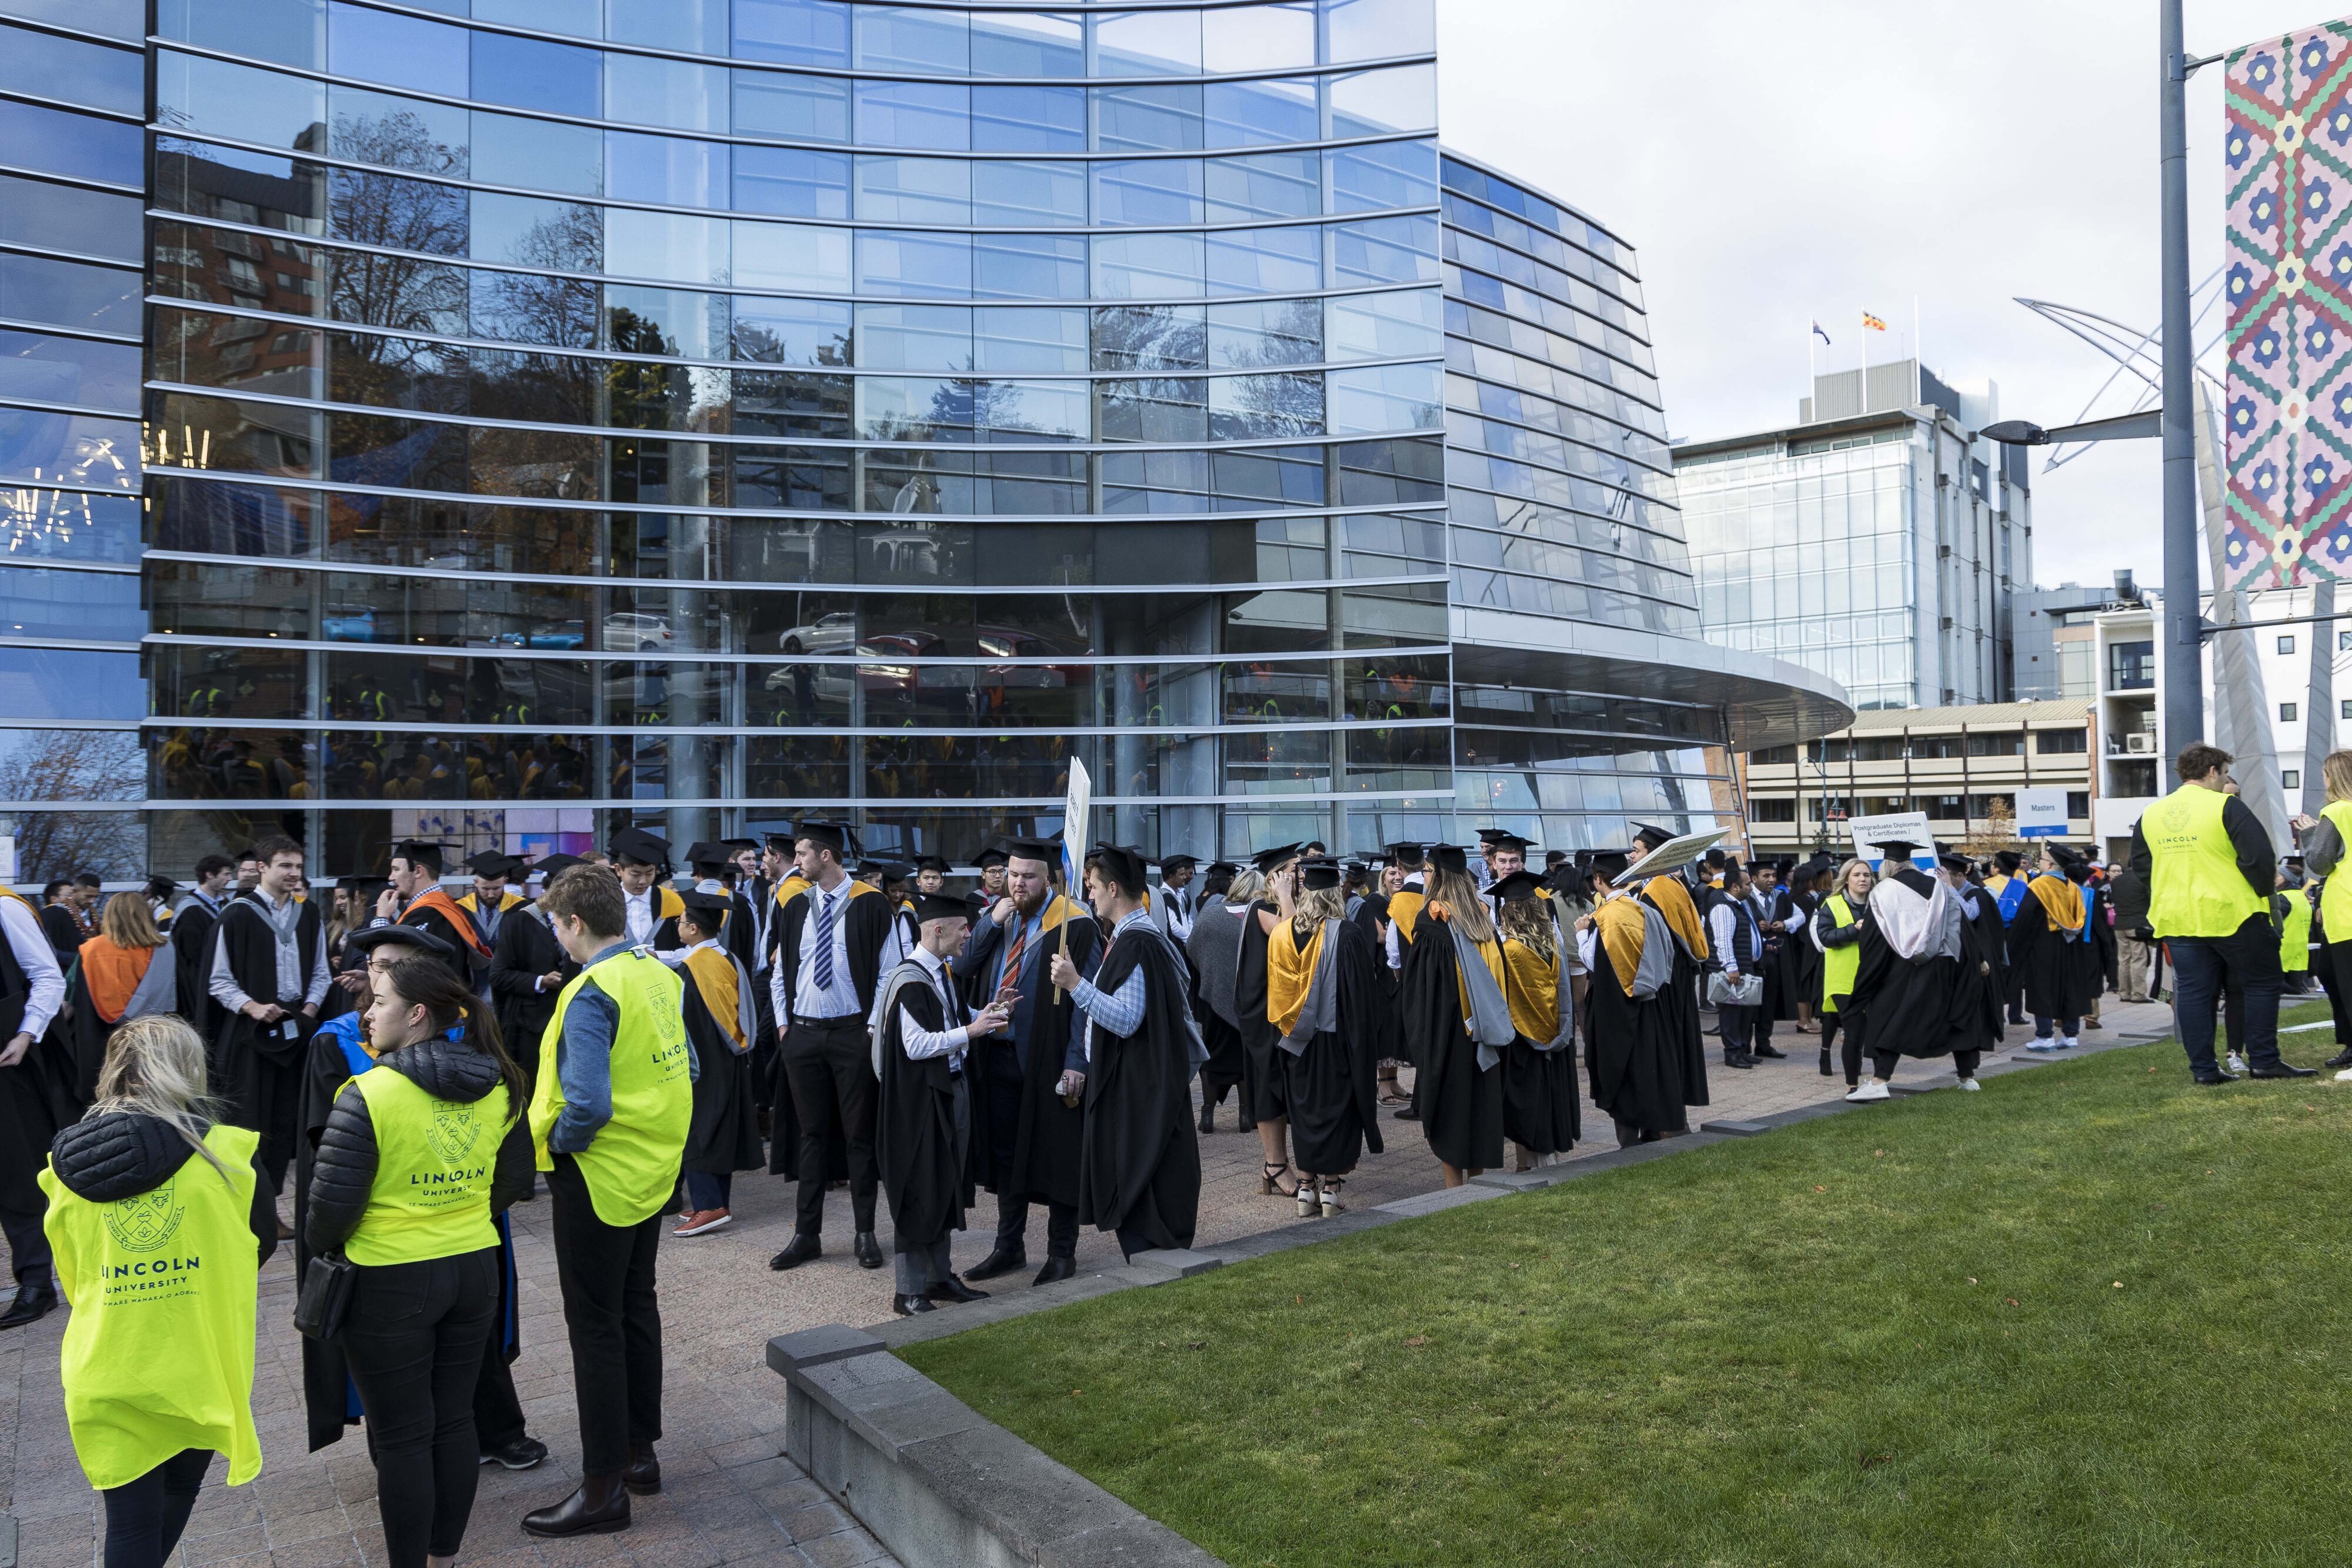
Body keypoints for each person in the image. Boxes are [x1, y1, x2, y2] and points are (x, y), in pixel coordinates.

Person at [306, 957, 533, 1568]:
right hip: (473, 1268)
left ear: (416, 1014)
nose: (367, 1011)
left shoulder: (369, 1093)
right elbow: (514, 1179)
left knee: (404, 1434)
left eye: (378, 1000)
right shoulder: (500, 1080)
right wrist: (455, 1208)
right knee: (455, 1418)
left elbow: (326, 1214)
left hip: (389, 1279)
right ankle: (444, 1556)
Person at [42, 1014, 275, 1568]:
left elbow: (74, 1277)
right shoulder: (228, 1157)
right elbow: (260, 1246)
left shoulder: (62, 1171)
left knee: (129, 1524)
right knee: (177, 1496)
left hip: (107, 1363)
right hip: (195, 1362)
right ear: (189, 1069)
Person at [523, 864, 696, 1537]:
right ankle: (638, 1453)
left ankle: (601, 1490)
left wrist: (563, 1142)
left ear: (574, 922)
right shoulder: (659, 973)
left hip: (597, 1175)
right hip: (652, 1168)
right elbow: (689, 1064)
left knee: (595, 1326)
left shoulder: (592, 988)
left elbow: (588, 1100)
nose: (557, 937)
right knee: (634, 1307)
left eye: (557, 925)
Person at [1050, 843, 1203, 1259]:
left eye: (1094, 885)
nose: (1090, 894)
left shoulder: (1137, 943)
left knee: (1144, 1179)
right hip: (1136, 1087)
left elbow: (1125, 1019)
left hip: (1139, 1093)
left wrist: (1074, 984)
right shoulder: (1130, 939)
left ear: (1114, 888)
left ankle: (1154, 1257)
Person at [957, 838, 1097, 1286]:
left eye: (1028, 876)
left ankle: (1061, 1253)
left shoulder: (1075, 924)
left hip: (1049, 1057)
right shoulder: (1000, 920)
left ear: (1050, 879)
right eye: (1013, 875)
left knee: (1058, 1155)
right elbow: (962, 968)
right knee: (1005, 1156)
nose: (1018, 884)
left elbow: (1084, 1002)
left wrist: (1077, 1061)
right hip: (996, 1054)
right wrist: (989, 921)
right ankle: (1008, 1247)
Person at [2132, 745, 2316, 1084]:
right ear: (2213, 771)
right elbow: (2259, 859)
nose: (2226, 781)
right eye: (2225, 774)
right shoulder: (2226, 806)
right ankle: (2264, 1060)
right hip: (2234, 912)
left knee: (2194, 993)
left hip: (2178, 915)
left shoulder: (2152, 813)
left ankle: (2204, 1070)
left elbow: (2142, 866)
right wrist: (2260, 891)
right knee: (2261, 982)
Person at [768, 821, 898, 1273]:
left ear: (825, 856)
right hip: (803, 1035)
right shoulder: (794, 905)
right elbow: (782, 968)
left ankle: (865, 1232)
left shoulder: (871, 903)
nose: (796, 861)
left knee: (859, 1135)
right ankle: (807, 1235)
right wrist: (784, 1026)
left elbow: (889, 971)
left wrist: (870, 1029)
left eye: (802, 854)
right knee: (811, 1136)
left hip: (851, 1035)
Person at [873, 892, 1010, 1316]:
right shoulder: (908, 980)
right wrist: (972, 1031)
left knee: (944, 1185)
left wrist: (984, 1012)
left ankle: (940, 1278)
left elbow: (949, 1017)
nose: (969, 934)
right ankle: (909, 1291)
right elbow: (916, 1046)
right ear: (938, 930)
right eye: (963, 927)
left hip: (949, 1093)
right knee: (920, 1191)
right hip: (918, 1106)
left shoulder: (941, 974)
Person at [208, 836, 329, 1208]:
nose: (295, 874)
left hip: (295, 1033)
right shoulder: (237, 914)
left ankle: (272, 1204)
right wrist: (252, 1007)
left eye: (298, 866)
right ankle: (245, 1207)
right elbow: (218, 980)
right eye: (285, 866)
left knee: (285, 1120)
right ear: (262, 867)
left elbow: (322, 972)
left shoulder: (308, 913)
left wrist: (309, 1008)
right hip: (251, 1036)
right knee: (248, 1120)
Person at [1263, 859, 1386, 1217]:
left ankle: (1305, 1188)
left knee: (1303, 1111)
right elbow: (1360, 1000)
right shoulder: (1346, 934)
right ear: (1336, 893)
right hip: (1336, 1043)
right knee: (1336, 1112)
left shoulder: (1282, 934)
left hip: (1295, 1043)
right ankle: (1330, 1188)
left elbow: (1277, 991)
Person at [1397, 846, 1507, 1186]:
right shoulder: (1481, 918)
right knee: (1478, 1108)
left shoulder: (1433, 921)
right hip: (1484, 1032)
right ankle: (1477, 1183)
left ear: (1439, 877)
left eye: (1429, 871)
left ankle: (1454, 1191)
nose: (1424, 877)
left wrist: (1421, 1038)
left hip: (1448, 1035)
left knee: (1451, 1110)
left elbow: (1422, 993)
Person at [1840, 839, 1979, 1102]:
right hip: (1946, 965)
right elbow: (1961, 928)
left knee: (1892, 1019)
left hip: (1903, 970)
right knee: (1953, 1018)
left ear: (1888, 866)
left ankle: (1880, 1081)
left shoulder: (1884, 892)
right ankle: (1967, 1078)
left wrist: (1868, 978)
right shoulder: (1941, 887)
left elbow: (1875, 940)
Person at [1578, 849, 1700, 1147]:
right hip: (1652, 1006)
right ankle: (1653, 1133)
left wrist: (1582, 934)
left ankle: (1629, 1144)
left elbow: (1598, 963)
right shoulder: (1648, 910)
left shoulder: (1607, 916)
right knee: (1650, 1072)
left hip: (1620, 1010)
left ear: (1598, 880)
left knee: (1625, 1074)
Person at [673, 892, 763, 1238]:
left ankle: (709, 1206)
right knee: (720, 1126)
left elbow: (683, 1018)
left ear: (694, 928)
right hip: (730, 1057)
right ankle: (714, 1202)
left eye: (681, 922)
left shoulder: (693, 967)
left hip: (701, 1061)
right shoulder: (728, 958)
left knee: (698, 1128)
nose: (678, 926)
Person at [62, 892, 178, 1108]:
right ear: (146, 915)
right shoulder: (164, 948)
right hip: (149, 1041)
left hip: (99, 1045)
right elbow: (169, 1000)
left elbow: (69, 1001)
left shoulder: (90, 951)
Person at [1494, 869, 1577, 1172]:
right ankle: (1538, 1161)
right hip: (1553, 1033)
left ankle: (1528, 1165)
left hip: (1521, 1039)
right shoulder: (1552, 944)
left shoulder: (1510, 951)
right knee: (1546, 1099)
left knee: (1526, 1103)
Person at [1235, 844, 1304, 1193]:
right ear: (1275, 875)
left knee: (1283, 1087)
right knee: (1267, 1087)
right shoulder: (1261, 907)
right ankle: (1275, 1166)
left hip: (1283, 1013)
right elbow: (1288, 933)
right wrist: (1284, 893)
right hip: (1263, 1017)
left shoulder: (1284, 904)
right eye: (1294, 868)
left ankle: (1278, 1166)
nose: (1301, 873)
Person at [488, 854, 583, 1098]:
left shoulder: (583, 922)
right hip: (529, 1029)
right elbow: (499, 975)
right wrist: (540, 981)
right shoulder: (519, 920)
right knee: (531, 1095)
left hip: (572, 1023)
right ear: (550, 890)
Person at [1184, 865, 1253, 1135]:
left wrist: (1210, 972)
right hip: (1245, 1001)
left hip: (1211, 1000)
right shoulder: (1259, 916)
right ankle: (1246, 1115)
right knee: (1244, 1058)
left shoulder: (1211, 914)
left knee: (1210, 1058)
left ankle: (1208, 1115)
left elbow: (1191, 947)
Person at [2009, 845, 2096, 1053]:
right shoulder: (2074, 887)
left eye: (2043, 859)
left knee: (2042, 988)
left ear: (2049, 864)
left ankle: (2045, 1037)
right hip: (2070, 945)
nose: (2040, 862)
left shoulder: (2040, 886)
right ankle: (2070, 1035)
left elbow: (2025, 918)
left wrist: (2013, 945)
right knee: (2069, 988)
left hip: (2044, 946)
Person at [2297, 748, 2352, 1070]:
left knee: (2339, 979)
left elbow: (2319, 863)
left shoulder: (2338, 812)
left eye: (2325, 775)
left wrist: (2309, 833)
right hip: (2338, 908)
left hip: (2345, 912)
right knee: (2332, 974)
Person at [378, 842, 493, 987]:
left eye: (396, 870)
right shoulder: (447, 907)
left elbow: (388, 961)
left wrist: (381, 917)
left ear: (418, 872)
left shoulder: (427, 914)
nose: (390, 877)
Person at [1813, 859, 1875, 1086]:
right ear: (1846, 878)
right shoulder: (1832, 904)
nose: (1862, 879)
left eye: (1866, 875)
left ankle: (1878, 1082)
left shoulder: (1878, 903)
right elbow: (1826, 938)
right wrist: (1854, 930)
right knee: (1854, 1032)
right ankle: (1852, 1085)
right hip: (1844, 979)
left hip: (1874, 978)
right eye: (1857, 875)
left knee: (1873, 1033)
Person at [1704, 863, 1764, 1070]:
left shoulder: (1739, 904)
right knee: (1731, 1014)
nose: (1751, 886)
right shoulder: (1723, 907)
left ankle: (1742, 1051)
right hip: (1732, 970)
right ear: (1735, 887)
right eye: (1747, 884)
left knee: (1744, 1014)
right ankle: (1732, 1053)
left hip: (1744, 966)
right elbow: (1723, 940)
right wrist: (1731, 968)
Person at [171, 855, 235, 1035]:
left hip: (222, 980)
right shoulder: (190, 910)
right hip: (198, 982)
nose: (230, 879)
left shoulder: (223, 905)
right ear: (209, 875)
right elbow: (193, 953)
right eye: (226, 874)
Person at [610, 828, 683, 953]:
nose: (643, 881)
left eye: (649, 873)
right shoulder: (606, 902)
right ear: (619, 870)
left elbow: (689, 949)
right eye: (635, 874)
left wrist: (659, 957)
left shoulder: (670, 900)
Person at [1984, 850, 2032, 1025]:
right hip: (2016, 934)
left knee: (1993, 974)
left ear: (1996, 868)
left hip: (1991, 934)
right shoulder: (2023, 887)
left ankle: (1995, 1013)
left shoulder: (1985, 884)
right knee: (2016, 975)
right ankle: (2015, 1014)